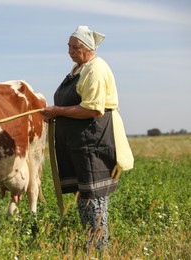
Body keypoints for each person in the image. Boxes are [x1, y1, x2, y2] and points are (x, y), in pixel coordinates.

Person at [42, 25, 133, 250]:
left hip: (93, 139)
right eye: (69, 47)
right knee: (84, 194)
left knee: (94, 194)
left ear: (88, 48)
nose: (70, 51)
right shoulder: (79, 68)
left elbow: (92, 109)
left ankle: (99, 247)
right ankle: (92, 243)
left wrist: (58, 111)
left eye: (76, 47)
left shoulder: (96, 70)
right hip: (78, 142)